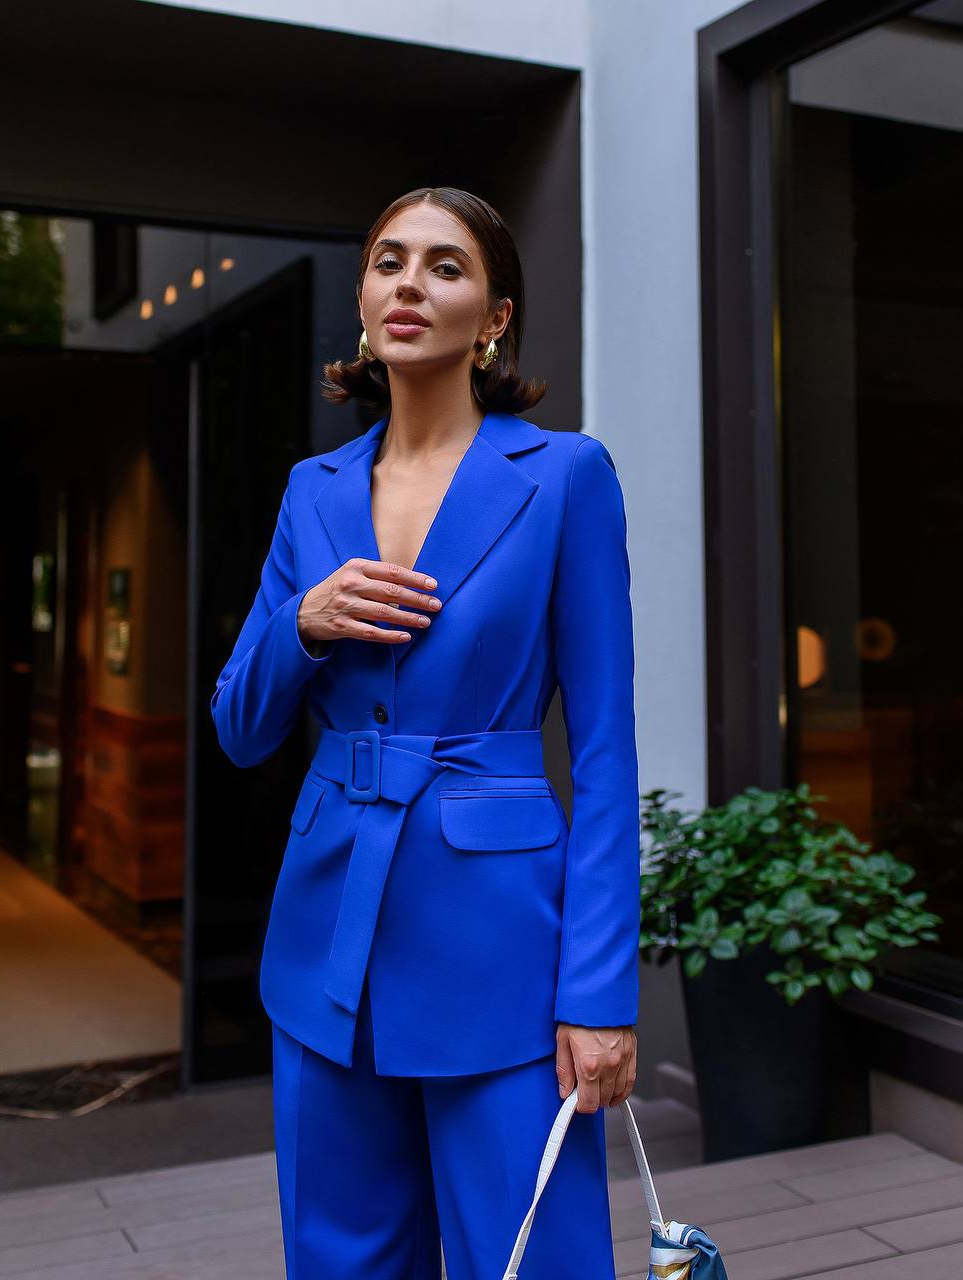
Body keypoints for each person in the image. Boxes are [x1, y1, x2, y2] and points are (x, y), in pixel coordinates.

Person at [210, 187, 640, 1279]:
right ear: (362, 298)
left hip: (501, 948)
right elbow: (242, 728)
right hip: (323, 942)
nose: (410, 283)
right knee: (341, 1257)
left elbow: (602, 751)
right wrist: (302, 624)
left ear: (494, 313)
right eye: (388, 261)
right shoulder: (311, 492)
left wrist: (597, 993)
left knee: (534, 1256)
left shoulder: (563, 479)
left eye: (444, 266)